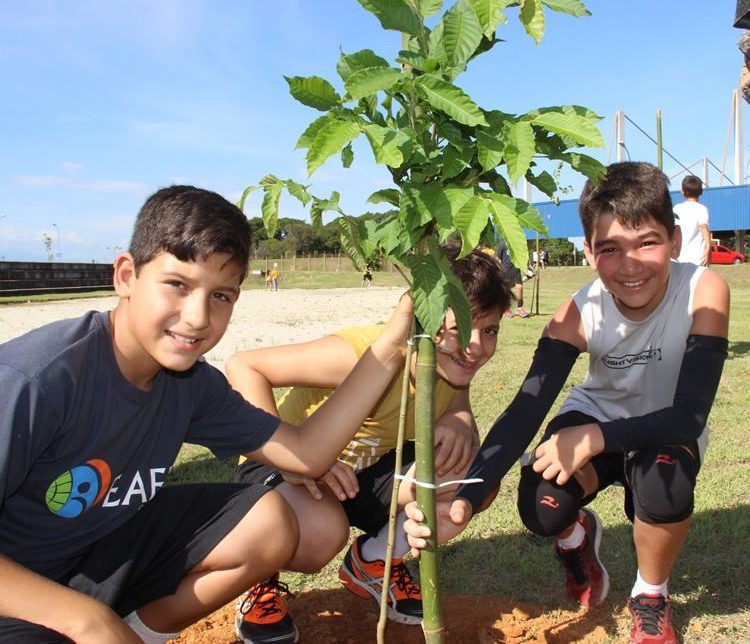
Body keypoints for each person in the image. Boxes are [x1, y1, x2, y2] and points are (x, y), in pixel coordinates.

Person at [0, 185, 412, 644]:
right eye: (177, 285)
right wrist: (84, 620)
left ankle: (137, 633)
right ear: (125, 276)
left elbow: (307, 455)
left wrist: (393, 343)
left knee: (269, 521)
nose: (197, 317)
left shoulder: (190, 384)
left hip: (101, 555)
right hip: (18, 592)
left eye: (221, 296)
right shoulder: (38, 378)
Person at [405, 162, 730, 644]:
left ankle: (650, 595)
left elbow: (689, 417)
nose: (630, 264)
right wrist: (468, 500)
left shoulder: (704, 291)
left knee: (664, 477)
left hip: (664, 430)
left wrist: (594, 436)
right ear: (588, 252)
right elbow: (524, 412)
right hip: (596, 419)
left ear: (676, 242)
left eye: (647, 242)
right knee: (542, 504)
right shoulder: (577, 311)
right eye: (610, 249)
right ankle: (576, 541)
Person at [226, 246, 511, 644]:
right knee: (323, 533)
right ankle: (259, 580)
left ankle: (373, 562)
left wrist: (461, 418)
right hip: (283, 470)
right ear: (423, 320)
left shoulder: (449, 366)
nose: (477, 345)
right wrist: (290, 455)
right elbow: (245, 365)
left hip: (359, 474)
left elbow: (456, 398)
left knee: (473, 480)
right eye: (461, 326)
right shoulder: (362, 353)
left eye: (490, 329)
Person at [673, 175, 711, 266]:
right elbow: (703, 227)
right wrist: (709, 247)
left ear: (682, 191)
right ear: (701, 192)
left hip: (678, 258)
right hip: (697, 258)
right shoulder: (701, 209)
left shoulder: (676, 209)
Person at [495, 237, 530, 318]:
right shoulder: (502, 244)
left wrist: (527, 266)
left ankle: (519, 308)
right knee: (506, 290)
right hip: (505, 270)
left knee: (519, 287)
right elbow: (497, 258)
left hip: (516, 269)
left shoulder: (517, 243)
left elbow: (522, 255)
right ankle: (506, 309)